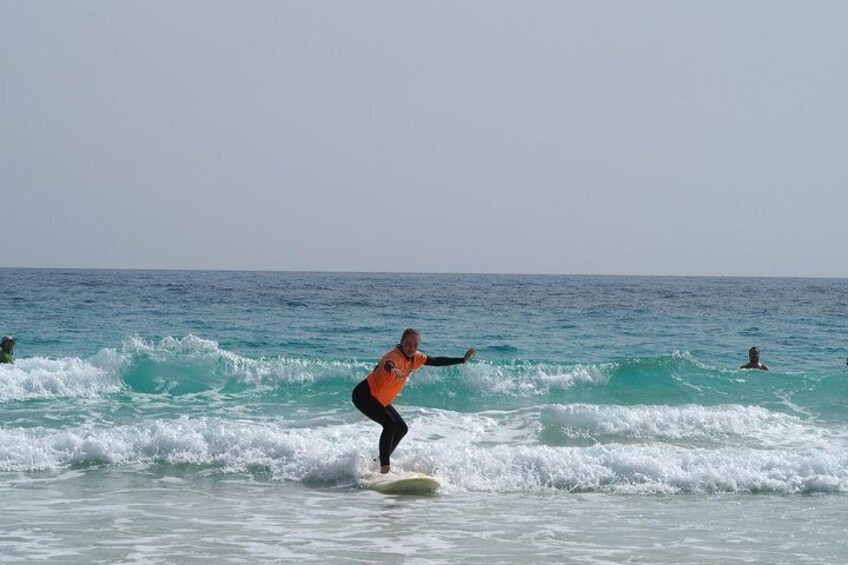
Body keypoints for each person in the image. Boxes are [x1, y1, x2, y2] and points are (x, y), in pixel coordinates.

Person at [352, 328, 476, 474]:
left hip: (380, 399)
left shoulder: (414, 358)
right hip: (364, 395)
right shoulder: (394, 357)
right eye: (408, 344)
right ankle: (384, 467)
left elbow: (435, 361)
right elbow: (388, 364)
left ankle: (379, 462)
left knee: (401, 429)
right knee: (390, 424)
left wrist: (462, 360)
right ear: (401, 342)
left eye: (415, 345)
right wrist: (392, 370)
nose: (411, 348)